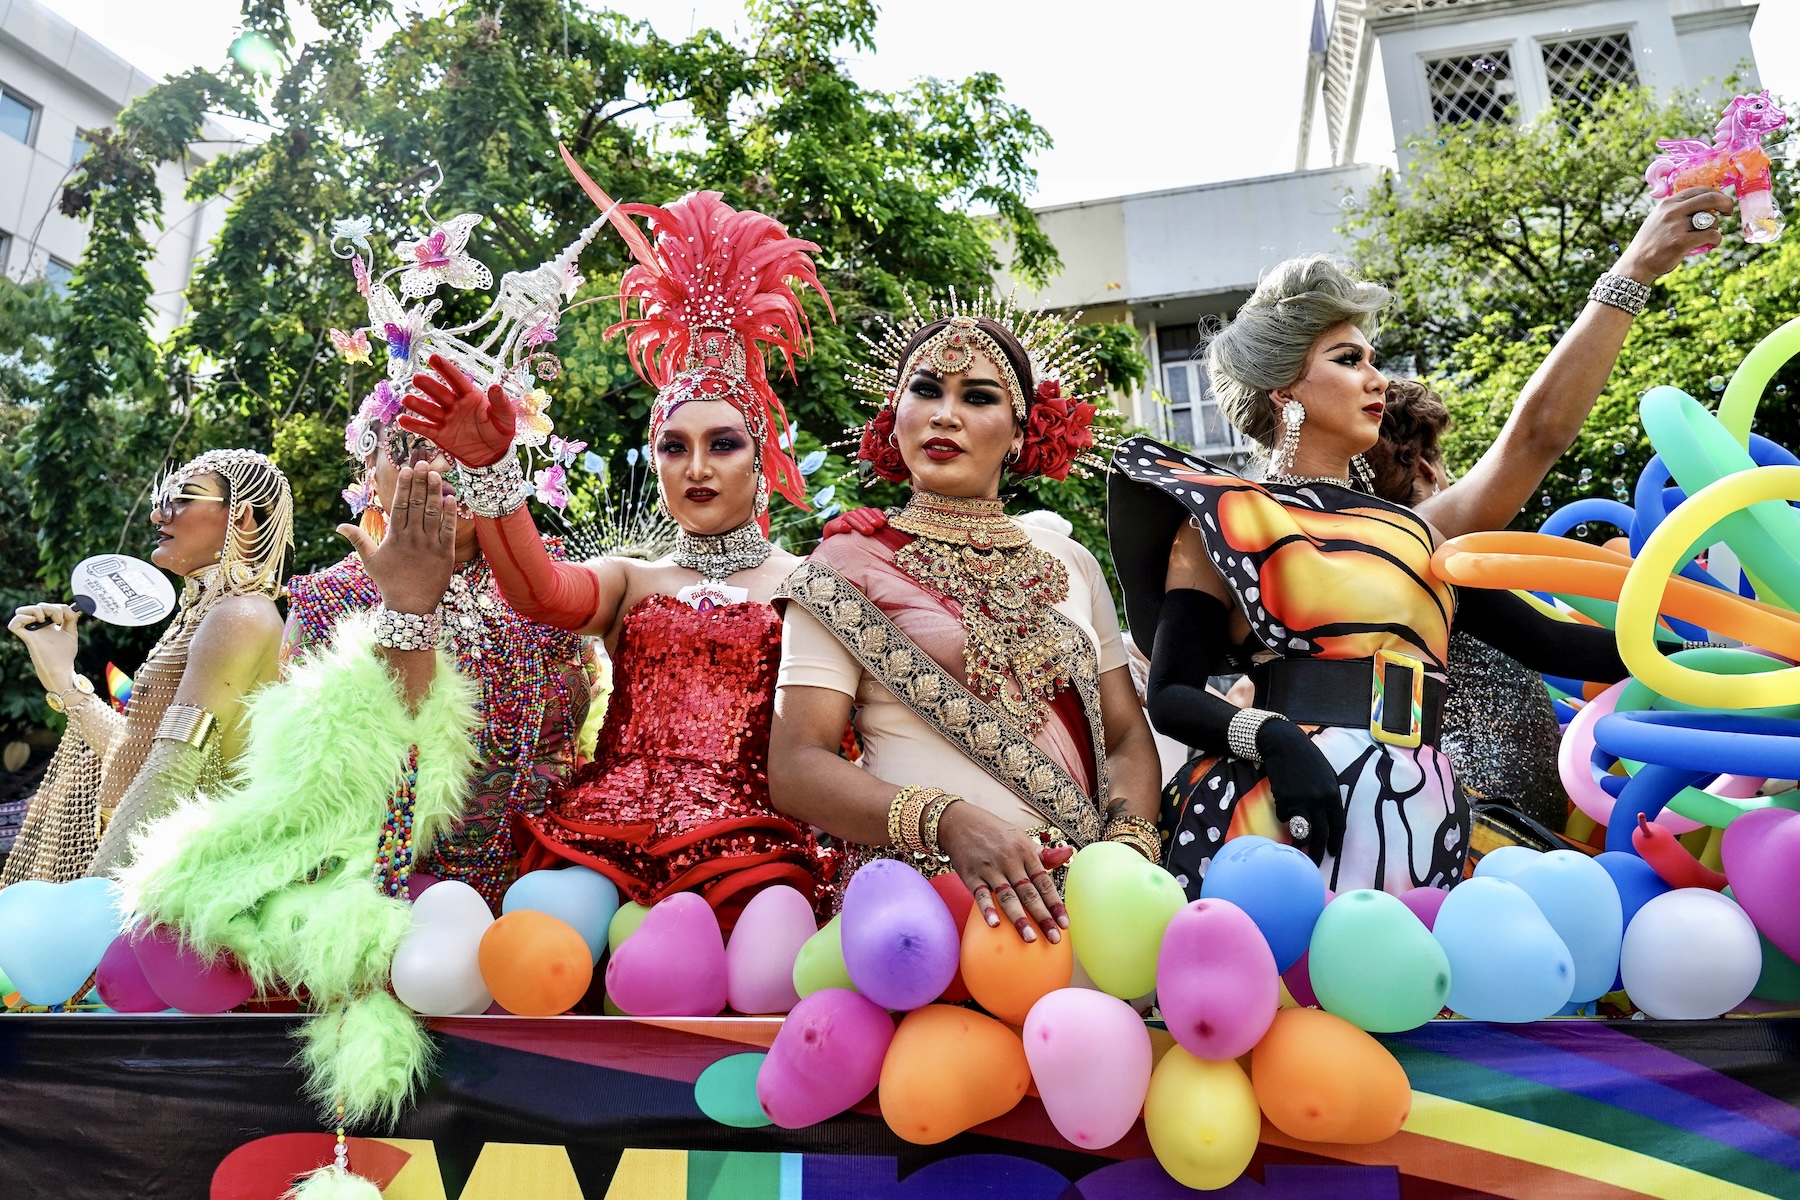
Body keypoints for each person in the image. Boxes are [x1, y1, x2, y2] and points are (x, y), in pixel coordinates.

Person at [1109, 256, 1669, 897]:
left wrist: (1706, 655)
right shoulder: (1223, 518)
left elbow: (1551, 644)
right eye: (1349, 360)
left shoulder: (1416, 535)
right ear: (1284, 390)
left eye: (1372, 359)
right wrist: (1273, 739)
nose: (1377, 379)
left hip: (1419, 811)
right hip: (1274, 812)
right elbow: (1172, 693)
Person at [399, 180, 838, 923]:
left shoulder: (811, 582)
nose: (696, 467)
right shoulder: (632, 578)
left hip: (752, 848)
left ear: (760, 461)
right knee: (540, 920)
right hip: (607, 833)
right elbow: (541, 594)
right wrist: (491, 469)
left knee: (755, 939)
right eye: (675, 447)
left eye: (722, 445)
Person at [766, 297, 1165, 944]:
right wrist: (947, 822)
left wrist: (1126, 853)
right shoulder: (847, 563)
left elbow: (1123, 737)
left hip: (1088, 915)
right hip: (925, 913)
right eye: (926, 390)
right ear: (895, 415)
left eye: (978, 397)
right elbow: (797, 766)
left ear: (1021, 432)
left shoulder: (1072, 562)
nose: (945, 414)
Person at [283, 391, 596, 908]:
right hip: (383, 909)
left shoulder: (549, 585)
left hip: (547, 901)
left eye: (461, 446)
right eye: (411, 446)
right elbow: (313, 777)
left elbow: (586, 742)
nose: (442, 466)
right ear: (370, 464)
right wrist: (405, 610)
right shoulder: (328, 601)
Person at [1381, 185, 1736, 539]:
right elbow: (1537, 434)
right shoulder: (1410, 537)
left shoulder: (1362, 543)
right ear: (1427, 471)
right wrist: (1637, 265)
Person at [5, 449, 292, 883]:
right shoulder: (203, 615)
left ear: (243, 517)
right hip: (145, 864)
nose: (159, 515)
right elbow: (138, 754)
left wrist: (104, 895)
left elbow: (171, 771)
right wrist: (63, 678)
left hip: (185, 882)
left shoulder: (240, 615)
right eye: (162, 500)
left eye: (183, 498)